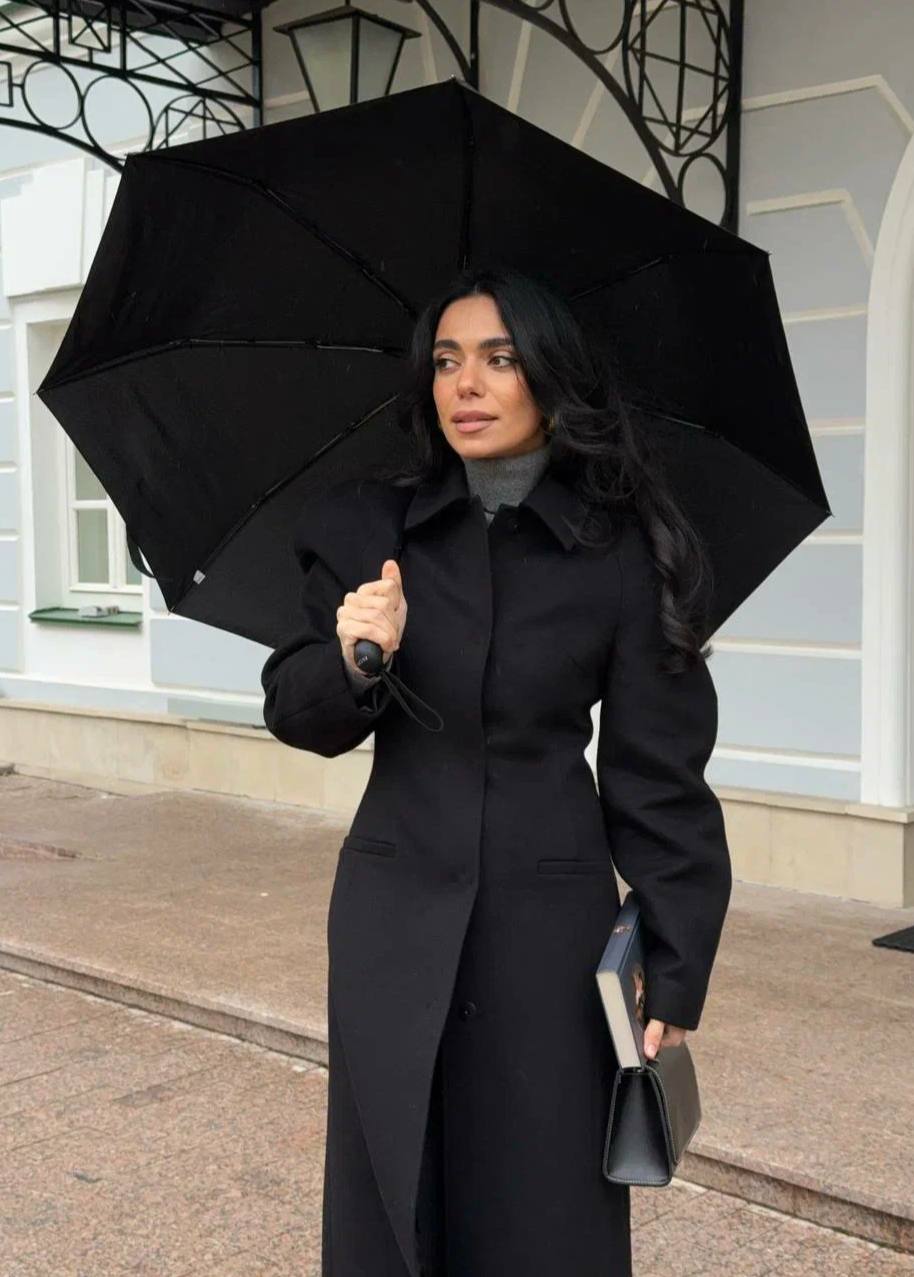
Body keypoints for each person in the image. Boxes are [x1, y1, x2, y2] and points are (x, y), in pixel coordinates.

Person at [260, 265, 732, 1277]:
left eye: (498, 358)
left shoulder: (620, 552)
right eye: (445, 361)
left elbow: (658, 777)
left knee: (543, 1192)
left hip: (549, 927)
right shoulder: (366, 528)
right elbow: (295, 711)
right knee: (393, 1186)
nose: (465, 385)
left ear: (551, 381)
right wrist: (356, 656)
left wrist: (676, 956)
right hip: (392, 909)